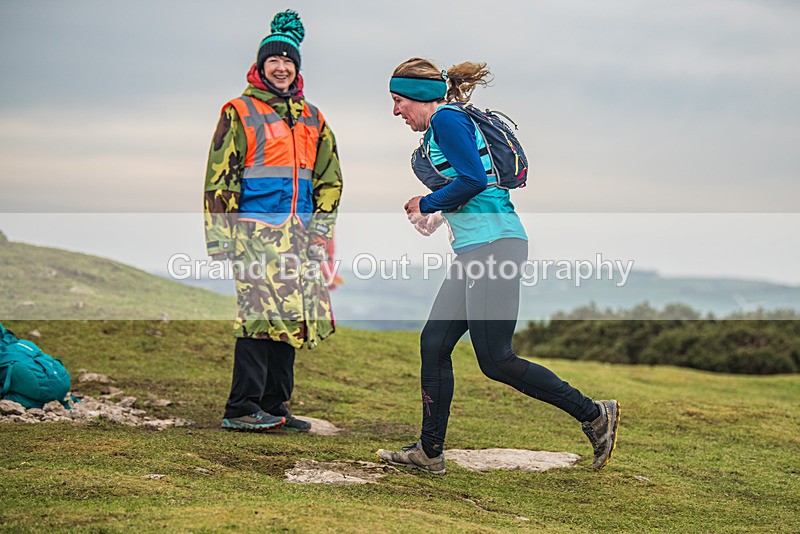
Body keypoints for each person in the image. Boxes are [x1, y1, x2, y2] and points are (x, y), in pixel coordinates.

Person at [376, 58, 619, 473]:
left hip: (493, 249)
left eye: (399, 101)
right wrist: (436, 216)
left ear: (418, 97)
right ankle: (429, 452)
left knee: (497, 359)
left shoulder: (446, 121)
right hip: (478, 250)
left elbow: (471, 180)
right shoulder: (448, 123)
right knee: (434, 344)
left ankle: (594, 413)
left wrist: (426, 202)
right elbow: (479, 185)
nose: (396, 111)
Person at [203, 10, 342, 433]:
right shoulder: (238, 111)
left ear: (297, 69)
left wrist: (320, 233)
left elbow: (330, 180)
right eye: (273, 61)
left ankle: (275, 406)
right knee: (259, 317)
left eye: (288, 62)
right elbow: (219, 179)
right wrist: (219, 239)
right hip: (252, 234)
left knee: (292, 317)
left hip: (299, 237)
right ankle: (242, 408)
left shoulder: (314, 118)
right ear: (260, 66)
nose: (281, 68)